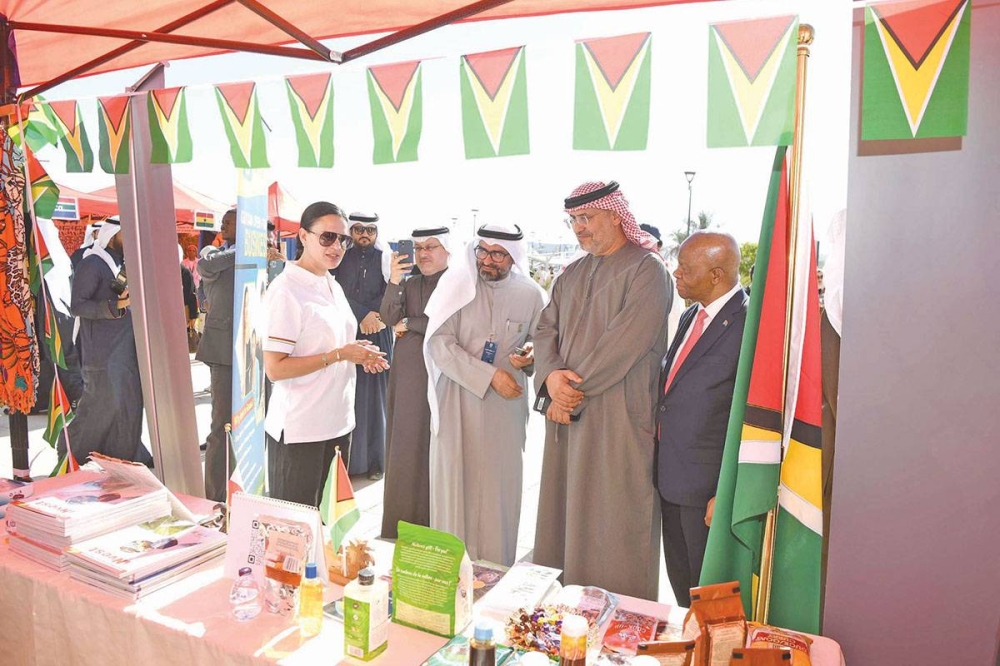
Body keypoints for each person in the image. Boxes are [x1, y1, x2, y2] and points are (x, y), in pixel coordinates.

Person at [532, 181, 670, 600]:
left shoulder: (647, 269)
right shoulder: (571, 273)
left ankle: (620, 620)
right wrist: (551, 378)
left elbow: (625, 342)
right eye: (574, 220)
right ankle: (564, 611)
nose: (579, 227)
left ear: (615, 215)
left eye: (587, 217)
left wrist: (569, 392)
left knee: (614, 520)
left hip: (617, 418)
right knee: (562, 515)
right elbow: (545, 330)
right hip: (566, 414)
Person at [426, 224, 546, 566]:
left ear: (514, 256)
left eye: (498, 254)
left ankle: (496, 568)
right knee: (454, 484)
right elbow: (439, 344)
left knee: (499, 488)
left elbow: (543, 341)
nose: (488, 260)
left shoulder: (532, 295)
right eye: (483, 251)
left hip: (505, 406)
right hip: (456, 398)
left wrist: (531, 356)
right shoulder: (455, 286)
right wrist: (489, 375)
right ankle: (450, 568)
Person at [263, 202, 389, 508]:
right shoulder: (286, 289)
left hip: (338, 425)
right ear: (303, 236)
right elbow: (275, 368)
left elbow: (336, 343)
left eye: (342, 239)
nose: (336, 247)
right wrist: (339, 354)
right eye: (327, 237)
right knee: (297, 528)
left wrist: (360, 353)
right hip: (300, 431)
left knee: (328, 527)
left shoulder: (330, 284)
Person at [656, 231, 747, 607]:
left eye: (685, 268)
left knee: (710, 597)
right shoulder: (691, 314)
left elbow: (747, 421)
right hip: (673, 483)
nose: (676, 273)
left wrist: (724, 492)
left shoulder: (749, 325)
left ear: (716, 275)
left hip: (709, 494)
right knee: (683, 588)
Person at [379, 227, 451, 539]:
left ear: (447, 250)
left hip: (444, 374)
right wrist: (395, 280)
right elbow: (387, 317)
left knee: (438, 448)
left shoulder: (457, 284)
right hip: (408, 375)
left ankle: (437, 526)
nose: (423, 254)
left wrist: (410, 322)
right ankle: (401, 526)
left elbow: (446, 323)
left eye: (431, 247)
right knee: (406, 445)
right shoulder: (409, 284)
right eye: (419, 248)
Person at [65, 218, 152, 465]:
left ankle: (124, 457)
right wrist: (114, 307)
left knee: (128, 404)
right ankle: (73, 452)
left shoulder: (121, 263)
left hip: (126, 349)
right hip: (102, 352)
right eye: (126, 233)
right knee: (101, 406)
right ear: (112, 234)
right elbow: (77, 306)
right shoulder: (92, 264)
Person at [331, 211, 392, 480]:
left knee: (377, 397)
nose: (364, 235)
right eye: (358, 230)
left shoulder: (385, 258)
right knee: (348, 394)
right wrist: (361, 314)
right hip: (348, 332)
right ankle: (347, 462)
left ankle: (377, 461)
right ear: (351, 232)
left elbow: (393, 290)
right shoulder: (340, 257)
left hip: (379, 331)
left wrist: (375, 316)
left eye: (370, 230)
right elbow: (333, 289)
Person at [196, 209, 237, 501]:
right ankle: (216, 496)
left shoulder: (264, 256)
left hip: (253, 351)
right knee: (222, 426)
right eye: (223, 222)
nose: (222, 226)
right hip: (223, 352)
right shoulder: (215, 253)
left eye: (228, 222)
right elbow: (205, 269)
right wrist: (249, 249)